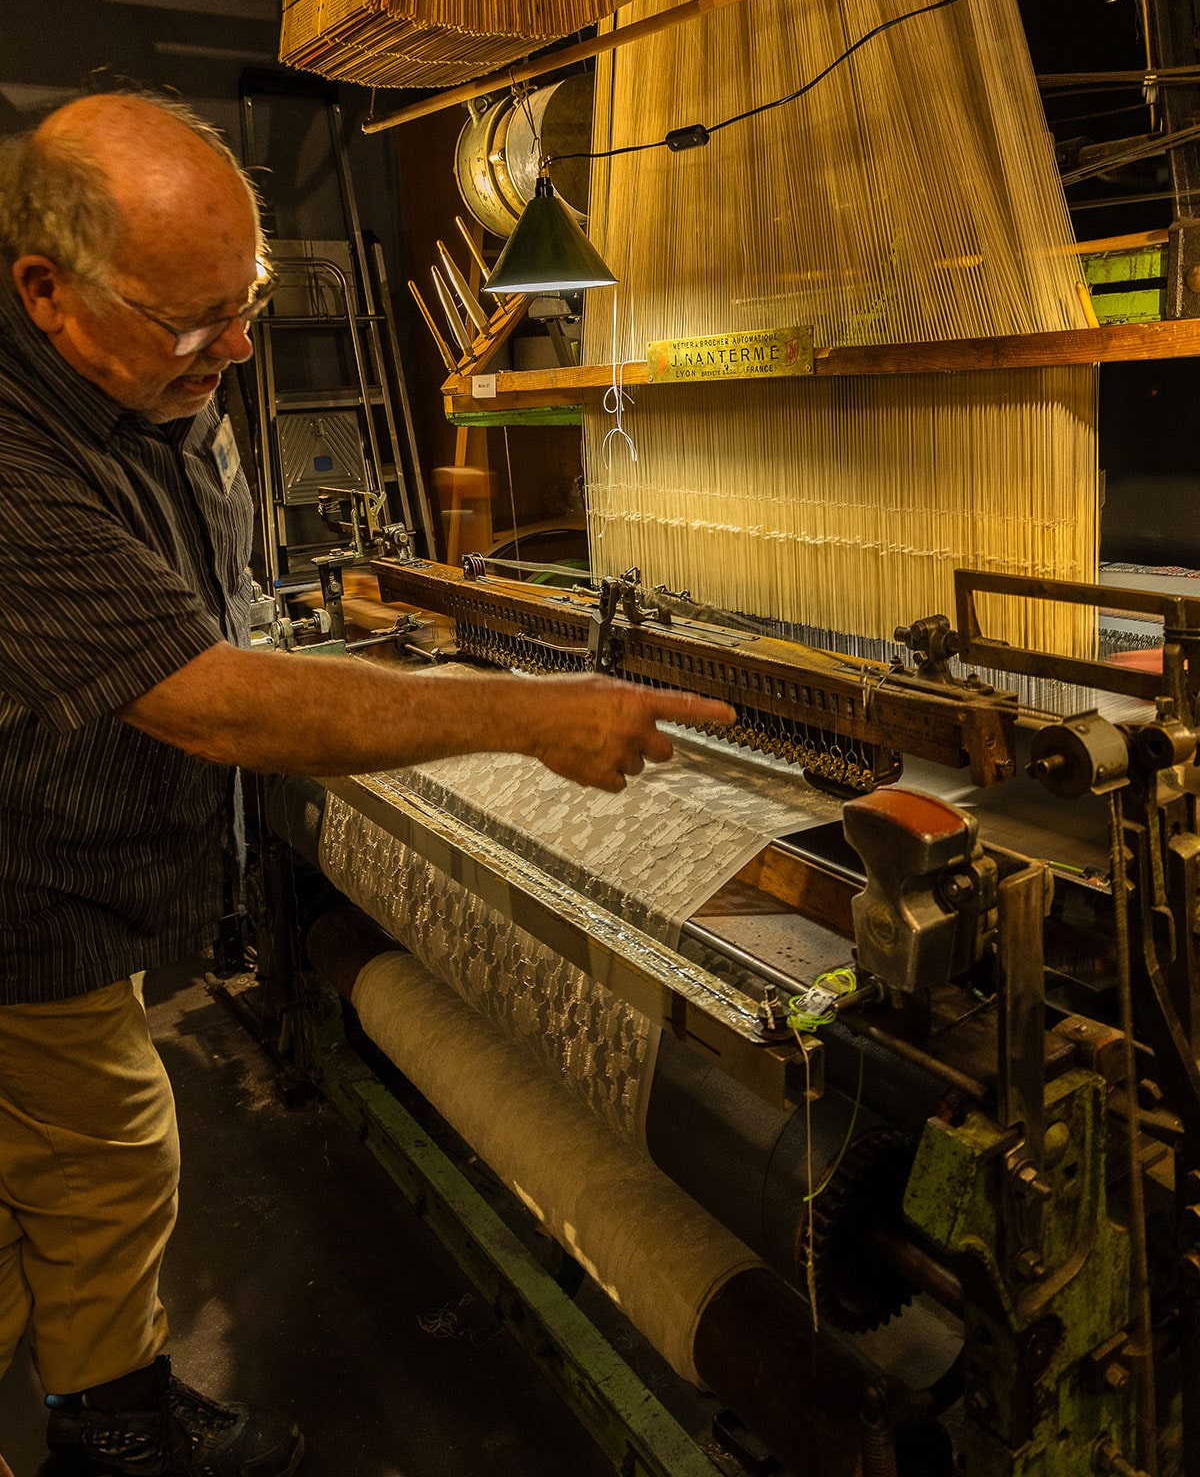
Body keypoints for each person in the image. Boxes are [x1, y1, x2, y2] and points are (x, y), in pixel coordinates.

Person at [0, 93, 734, 1477]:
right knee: (100, 1162)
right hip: (28, 893)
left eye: (249, 301)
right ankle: (114, 1437)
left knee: (60, 1167)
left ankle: (98, 1412)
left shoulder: (149, 381)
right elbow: (206, 704)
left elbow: (214, 619)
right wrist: (521, 715)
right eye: (186, 322)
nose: (231, 348)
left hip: (93, 870)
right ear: (47, 291)